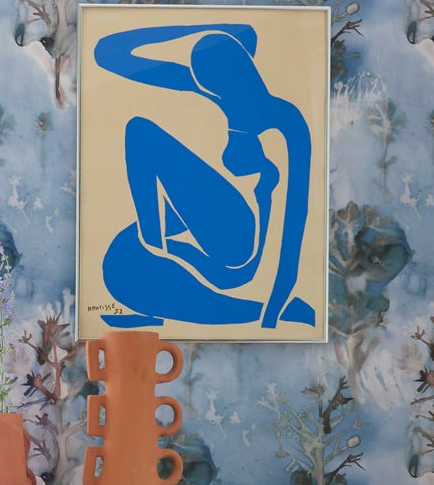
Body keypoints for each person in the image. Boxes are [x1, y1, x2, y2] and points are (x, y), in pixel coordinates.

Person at [92, 18, 315, 330]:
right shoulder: (219, 93)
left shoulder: (286, 122)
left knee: (141, 133)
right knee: (121, 258)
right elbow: (109, 53)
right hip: (217, 227)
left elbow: (295, 221)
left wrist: (272, 313)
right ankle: (156, 284)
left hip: (241, 246)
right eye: (204, 84)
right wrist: (203, 31)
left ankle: (156, 252)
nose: (203, 90)